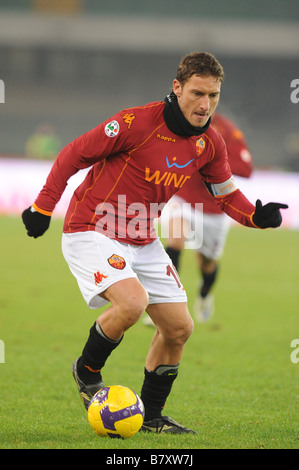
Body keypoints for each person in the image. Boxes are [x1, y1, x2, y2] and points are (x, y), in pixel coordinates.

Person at [21, 51, 287, 434]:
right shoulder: (135, 122)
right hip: (92, 228)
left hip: (143, 239)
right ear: (177, 87)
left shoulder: (210, 143)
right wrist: (43, 207)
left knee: (179, 328)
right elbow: (74, 154)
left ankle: (152, 418)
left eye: (213, 96)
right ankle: (86, 370)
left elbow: (226, 193)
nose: (205, 104)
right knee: (132, 303)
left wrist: (256, 217)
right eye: (197, 93)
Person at [143, 112, 253, 326]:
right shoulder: (177, 122)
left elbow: (245, 169)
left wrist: (212, 160)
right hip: (181, 197)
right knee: (175, 241)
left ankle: (204, 293)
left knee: (207, 263)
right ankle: (162, 305)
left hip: (214, 208)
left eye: (210, 96)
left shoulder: (226, 130)